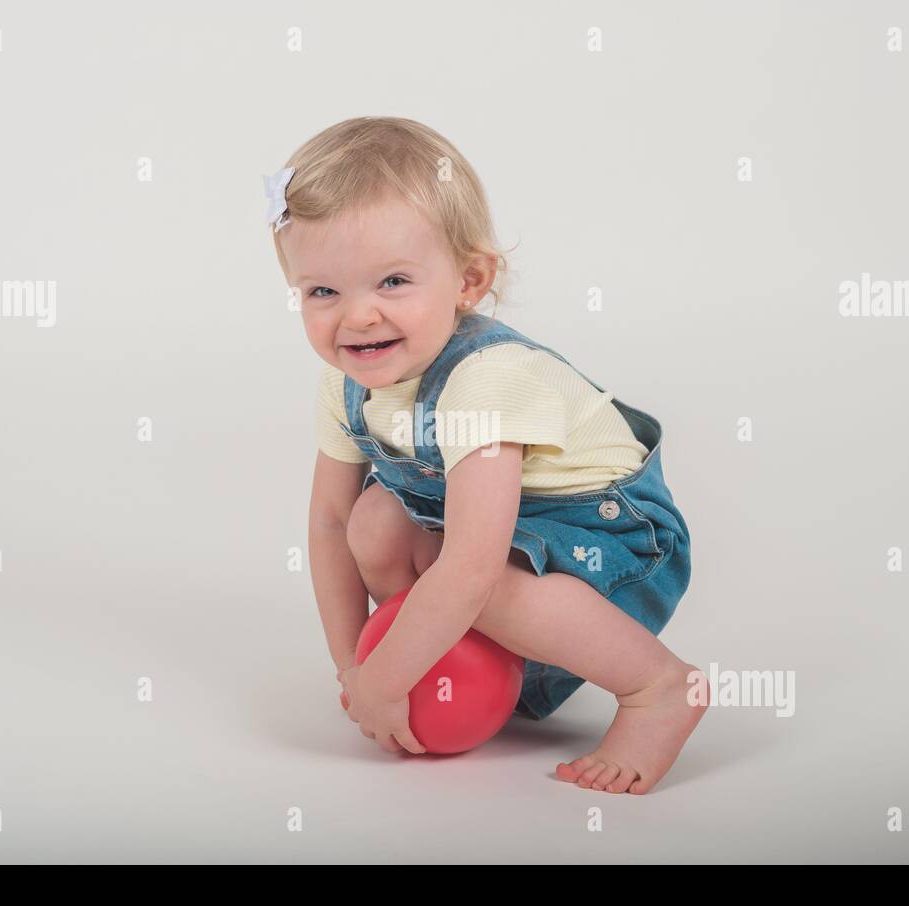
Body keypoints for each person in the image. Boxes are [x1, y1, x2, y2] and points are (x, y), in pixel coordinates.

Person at [267, 116, 707, 795]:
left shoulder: (486, 379)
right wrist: (356, 668)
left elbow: (472, 562)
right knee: (373, 521)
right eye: (323, 291)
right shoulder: (345, 379)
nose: (356, 317)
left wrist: (387, 681)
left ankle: (657, 685)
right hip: (507, 529)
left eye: (391, 282)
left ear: (469, 280)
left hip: (612, 537)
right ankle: (476, 662)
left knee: (483, 582)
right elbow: (328, 523)